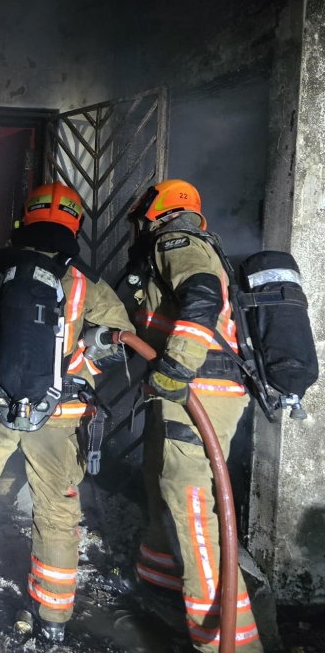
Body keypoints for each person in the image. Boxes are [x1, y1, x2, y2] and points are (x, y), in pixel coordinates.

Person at [0, 182, 134, 642]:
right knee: (56, 513)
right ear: (75, 222)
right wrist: (82, 361)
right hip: (59, 416)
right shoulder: (83, 278)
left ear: (27, 216)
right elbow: (122, 336)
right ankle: (53, 620)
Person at [127, 179, 262, 652]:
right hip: (185, 389)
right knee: (159, 479)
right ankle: (163, 586)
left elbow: (202, 294)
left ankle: (229, 641)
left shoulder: (175, 241)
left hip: (198, 387)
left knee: (191, 506)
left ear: (156, 213)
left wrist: (178, 365)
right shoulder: (177, 246)